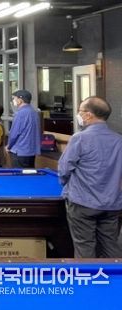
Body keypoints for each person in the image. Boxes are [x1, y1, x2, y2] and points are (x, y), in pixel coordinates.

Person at [58, 96, 122, 258]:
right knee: (111, 248)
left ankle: (86, 275)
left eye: (80, 111)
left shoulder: (79, 138)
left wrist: (65, 185)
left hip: (82, 203)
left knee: (84, 248)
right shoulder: (118, 140)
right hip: (112, 204)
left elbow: (64, 170)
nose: (78, 115)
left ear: (88, 115)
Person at [7, 89, 41, 168]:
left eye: (14, 98)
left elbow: (14, 134)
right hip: (31, 152)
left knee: (19, 174)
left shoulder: (20, 114)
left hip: (20, 152)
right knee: (29, 173)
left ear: (20, 100)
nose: (13, 101)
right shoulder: (34, 113)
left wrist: (8, 146)